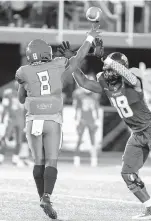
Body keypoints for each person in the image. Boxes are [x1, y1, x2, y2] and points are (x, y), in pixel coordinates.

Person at [61, 40, 151, 220]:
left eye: (110, 69)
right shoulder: (105, 84)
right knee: (128, 174)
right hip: (137, 134)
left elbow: (127, 75)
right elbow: (84, 82)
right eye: (106, 69)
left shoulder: (134, 82)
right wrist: (72, 62)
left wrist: (104, 58)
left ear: (119, 69)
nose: (106, 73)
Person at [15, 25, 100, 220]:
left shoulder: (23, 71)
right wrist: (89, 38)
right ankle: (47, 197)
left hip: (33, 119)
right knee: (51, 161)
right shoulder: (58, 64)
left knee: (38, 161)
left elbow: (21, 99)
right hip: (52, 119)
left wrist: (27, 88)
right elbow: (78, 58)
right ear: (47, 53)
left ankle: (41, 197)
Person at [73, 85, 100, 167]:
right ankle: (76, 158)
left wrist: (97, 120)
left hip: (91, 120)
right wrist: (76, 120)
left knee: (93, 140)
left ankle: (94, 159)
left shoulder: (94, 96)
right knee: (79, 139)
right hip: (82, 119)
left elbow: (96, 108)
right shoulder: (79, 96)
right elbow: (77, 108)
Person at [0, 82, 25, 167]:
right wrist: (2, 120)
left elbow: (27, 110)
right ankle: (1, 157)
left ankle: (15, 159)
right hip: (11, 119)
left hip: (20, 120)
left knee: (19, 141)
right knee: (5, 139)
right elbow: (4, 107)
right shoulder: (8, 93)